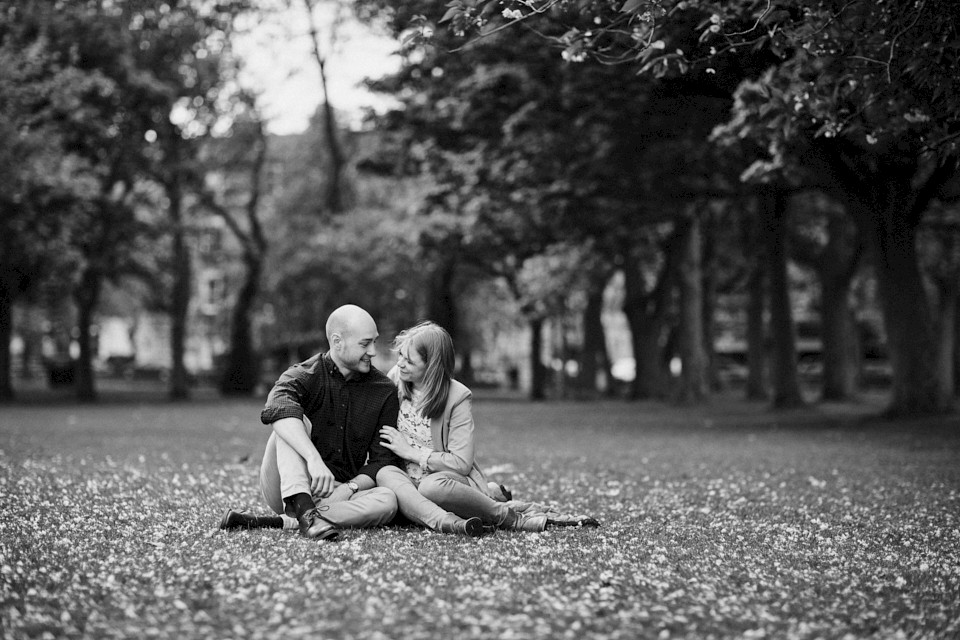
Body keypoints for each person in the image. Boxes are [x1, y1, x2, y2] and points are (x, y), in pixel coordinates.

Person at [220, 304, 425, 540]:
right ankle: (302, 508)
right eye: (364, 343)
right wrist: (313, 460)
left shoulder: (383, 391)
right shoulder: (303, 375)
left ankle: (287, 521)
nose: (373, 351)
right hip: (286, 487)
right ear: (337, 342)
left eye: (374, 342)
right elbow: (275, 408)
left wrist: (350, 488)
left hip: (339, 492)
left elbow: (383, 459)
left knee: (387, 500)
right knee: (290, 421)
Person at [376, 321, 600, 536]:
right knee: (386, 476)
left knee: (430, 488)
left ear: (431, 366)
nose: (401, 364)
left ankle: (508, 516)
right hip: (405, 481)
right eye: (400, 357)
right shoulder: (396, 378)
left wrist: (412, 452)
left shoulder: (456, 397)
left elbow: (461, 463)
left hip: (443, 480)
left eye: (409, 361)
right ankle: (487, 502)